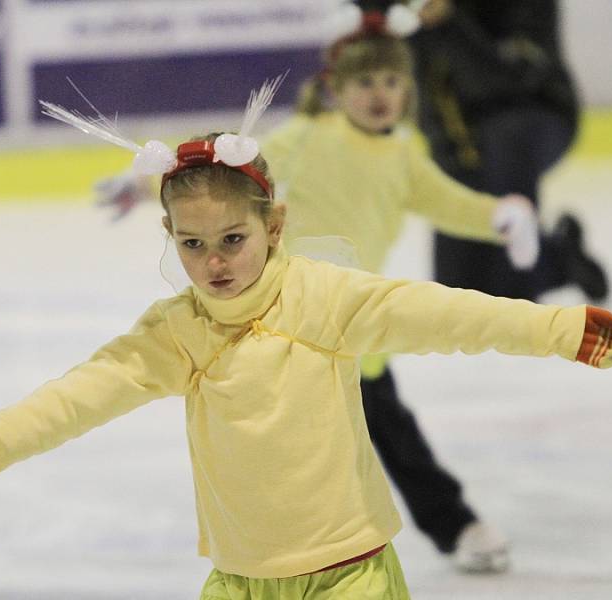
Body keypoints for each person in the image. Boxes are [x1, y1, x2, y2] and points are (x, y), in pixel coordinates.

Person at [0, 83, 612, 600]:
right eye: (193, 244)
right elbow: (79, 397)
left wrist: (561, 328)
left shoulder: (326, 298)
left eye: (233, 238)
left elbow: (447, 315)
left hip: (349, 575)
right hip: (239, 582)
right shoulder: (177, 333)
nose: (214, 261)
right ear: (170, 238)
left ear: (274, 227)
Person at [94, 4, 542, 573]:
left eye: (391, 81)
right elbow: (224, 172)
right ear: (335, 88)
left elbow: (447, 203)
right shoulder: (307, 137)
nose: (379, 94)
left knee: (388, 431)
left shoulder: (404, 152)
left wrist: (500, 215)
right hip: (285, 312)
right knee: (316, 436)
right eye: (364, 82)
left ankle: (453, 526)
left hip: (353, 321)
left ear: (408, 88)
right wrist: (142, 186)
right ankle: (292, 542)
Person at [408, 0, 609, 302]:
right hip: (460, 136)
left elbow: (509, 79)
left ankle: (527, 270)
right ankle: (559, 259)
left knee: (512, 290)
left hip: (535, 114)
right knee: (458, 290)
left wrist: (450, 21)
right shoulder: (418, 11)